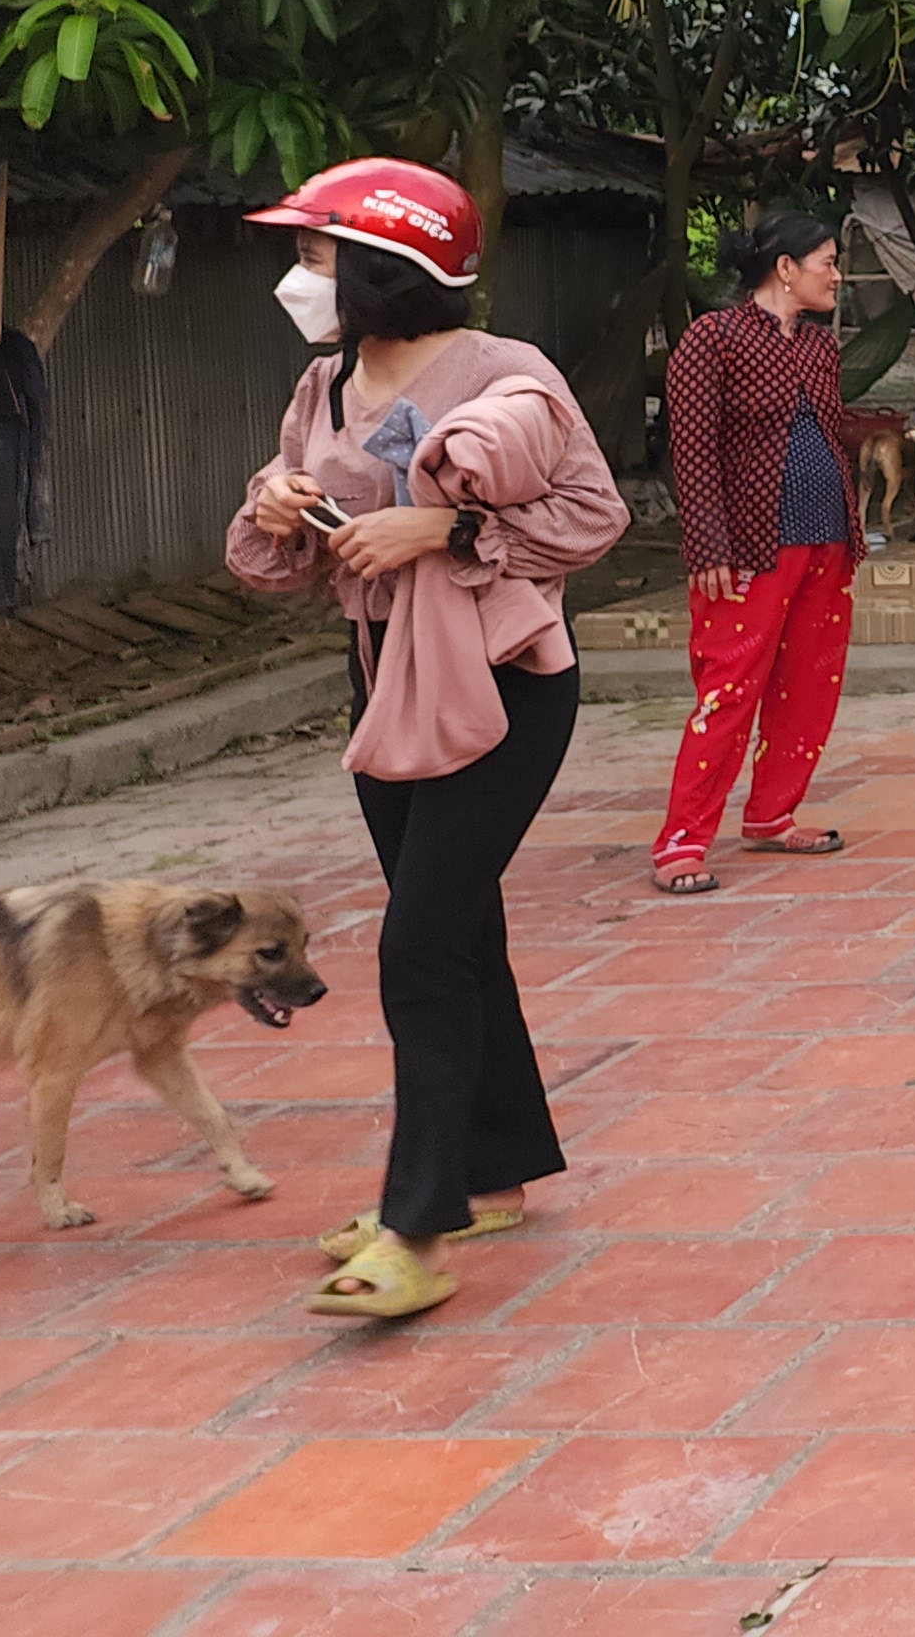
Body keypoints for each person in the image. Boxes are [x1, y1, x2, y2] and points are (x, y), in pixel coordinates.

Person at [227, 157, 626, 1321]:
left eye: (315, 256)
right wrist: (277, 510)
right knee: (455, 930)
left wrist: (441, 530)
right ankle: (493, 1172)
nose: (299, 279)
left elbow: (593, 516)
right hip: (381, 680)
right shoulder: (325, 384)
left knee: (419, 945)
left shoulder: (508, 373)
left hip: (502, 684)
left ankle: (417, 1227)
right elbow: (278, 560)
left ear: (384, 265)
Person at [653, 213, 902, 893]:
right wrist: (707, 542)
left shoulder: (820, 347)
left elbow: (829, 430)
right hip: (748, 546)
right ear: (785, 268)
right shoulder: (712, 338)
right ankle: (681, 840)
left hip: (827, 536)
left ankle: (772, 814)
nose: (837, 275)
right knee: (729, 689)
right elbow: (692, 448)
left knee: (810, 684)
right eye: (827, 261)